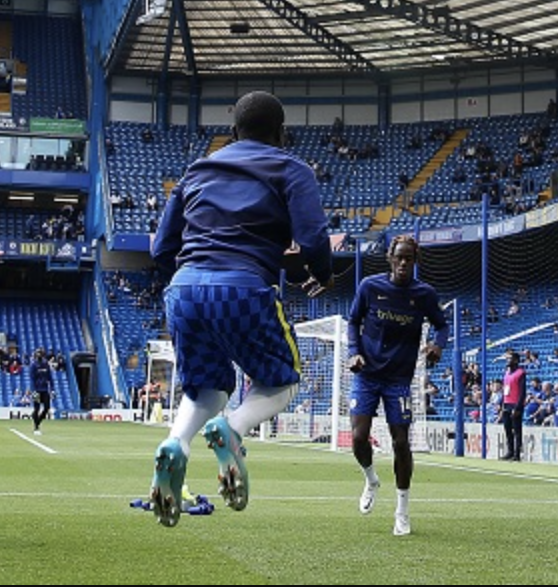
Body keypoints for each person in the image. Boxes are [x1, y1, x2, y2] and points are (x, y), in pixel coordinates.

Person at [146, 91, 331, 527]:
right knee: (283, 379)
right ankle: (235, 426)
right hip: (244, 287)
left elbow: (160, 248)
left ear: (233, 132)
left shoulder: (198, 170)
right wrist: (321, 273)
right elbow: (315, 240)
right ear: (281, 133)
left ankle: (177, 443)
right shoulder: (291, 168)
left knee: (206, 388)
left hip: (184, 291)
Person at [345, 234, 446, 537]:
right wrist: (353, 353)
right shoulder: (370, 287)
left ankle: (402, 511)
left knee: (401, 442)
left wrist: (437, 345)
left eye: (409, 258)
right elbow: (353, 321)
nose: (403, 263)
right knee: (358, 437)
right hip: (367, 375)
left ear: (415, 261)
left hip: (399, 380)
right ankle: (371, 479)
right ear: (390, 258)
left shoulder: (423, 294)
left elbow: (441, 325)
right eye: (399, 257)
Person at [500, 352, 527, 461]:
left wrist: (518, 407)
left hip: (515, 404)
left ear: (516, 360)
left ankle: (517, 454)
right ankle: (510, 451)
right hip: (507, 403)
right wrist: (503, 404)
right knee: (507, 429)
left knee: (516, 430)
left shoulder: (521, 373)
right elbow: (504, 390)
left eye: (510, 359)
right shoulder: (507, 373)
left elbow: (522, 392)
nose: (508, 361)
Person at [29, 351, 54, 435]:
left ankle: (38, 421)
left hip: (45, 389)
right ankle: (36, 427)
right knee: (37, 409)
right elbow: (32, 379)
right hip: (37, 390)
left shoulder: (46, 364)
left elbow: (50, 377)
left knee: (47, 408)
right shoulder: (33, 365)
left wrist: (52, 389)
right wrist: (33, 391)